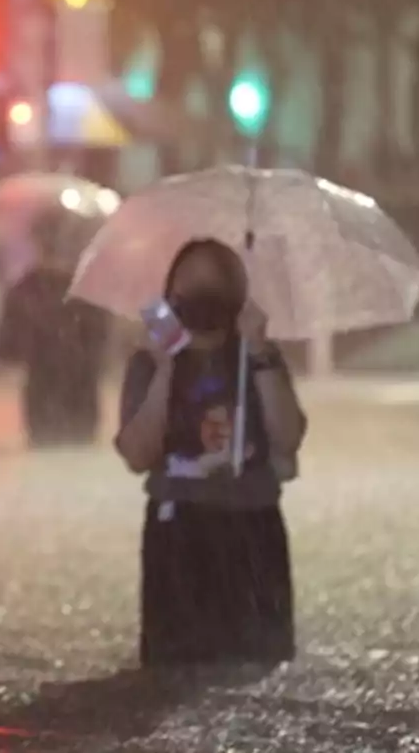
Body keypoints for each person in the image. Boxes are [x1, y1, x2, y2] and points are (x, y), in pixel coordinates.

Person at [115, 237, 307, 668]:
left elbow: (289, 438)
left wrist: (259, 353)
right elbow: (137, 455)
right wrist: (165, 369)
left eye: (214, 284)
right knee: (176, 668)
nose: (201, 294)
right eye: (190, 283)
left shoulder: (257, 357)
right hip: (178, 532)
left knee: (259, 665)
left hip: (252, 527)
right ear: (170, 295)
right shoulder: (148, 363)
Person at [0, 217, 109, 448]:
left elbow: (9, 345)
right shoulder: (87, 286)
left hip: (44, 387)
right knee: (80, 453)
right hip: (80, 387)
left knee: (45, 450)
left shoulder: (26, 287)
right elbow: (100, 338)